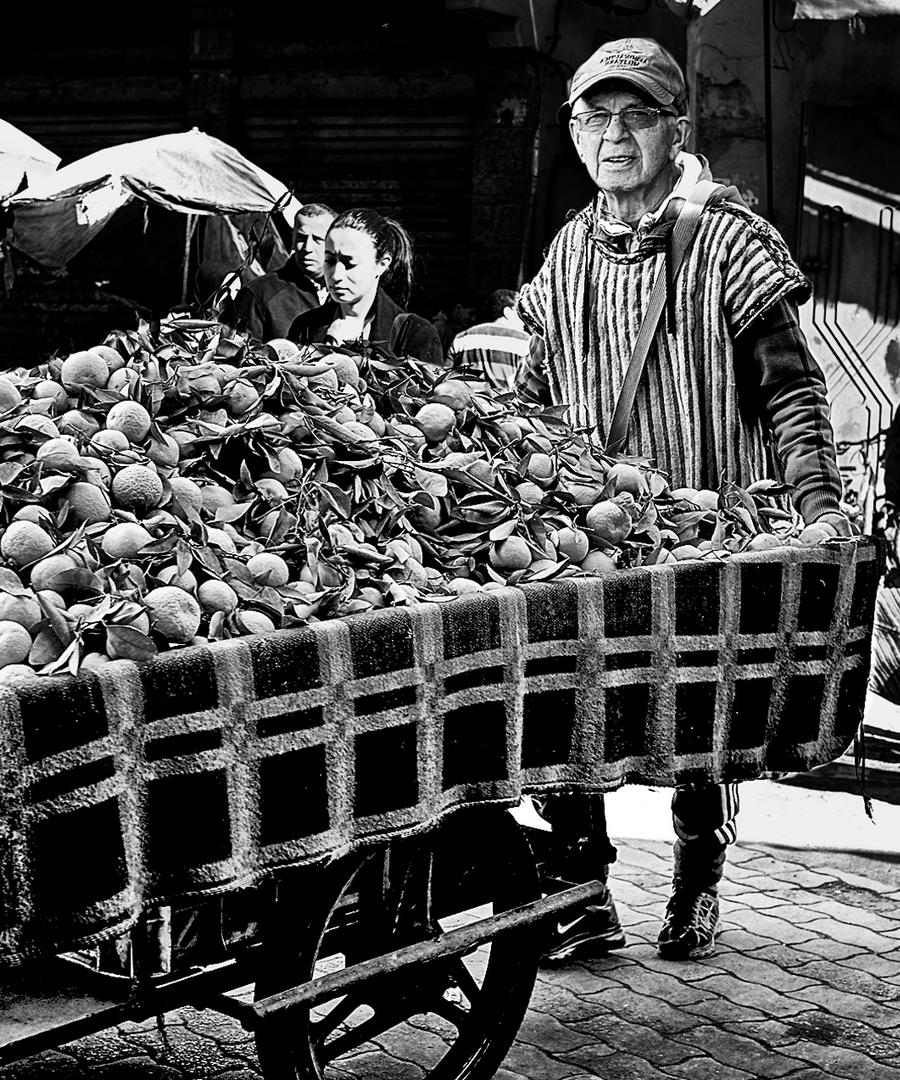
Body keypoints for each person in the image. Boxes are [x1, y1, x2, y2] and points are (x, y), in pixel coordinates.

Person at [515, 37, 851, 964]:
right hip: (589, 531)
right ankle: (582, 892)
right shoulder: (570, 250)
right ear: (575, 134)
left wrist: (818, 502)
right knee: (565, 701)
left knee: (699, 715)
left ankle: (697, 881)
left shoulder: (729, 238)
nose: (614, 135)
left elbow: (790, 387)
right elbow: (536, 382)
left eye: (636, 116)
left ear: (677, 129)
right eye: (594, 117)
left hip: (704, 523)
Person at [288, 209, 442, 364]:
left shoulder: (415, 333)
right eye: (329, 261)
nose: (336, 275)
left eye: (350, 263)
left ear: (382, 264)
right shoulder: (305, 326)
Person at [235, 203, 334, 342]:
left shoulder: (350, 291)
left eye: (318, 239)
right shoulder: (258, 293)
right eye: (301, 238)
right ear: (292, 239)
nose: (308, 247)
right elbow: (242, 353)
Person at [450, 289, 531, 393]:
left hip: (468, 405)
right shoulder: (524, 341)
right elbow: (527, 388)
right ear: (508, 312)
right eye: (521, 312)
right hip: (504, 406)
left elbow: (445, 377)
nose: (526, 319)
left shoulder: (462, 338)